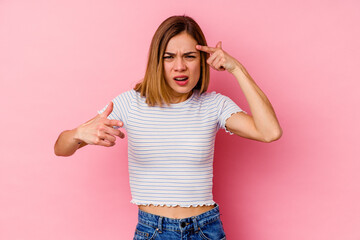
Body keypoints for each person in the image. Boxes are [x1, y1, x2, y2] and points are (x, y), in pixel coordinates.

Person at [54, 15, 282, 240]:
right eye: (169, 57)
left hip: (206, 230)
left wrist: (236, 68)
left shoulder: (214, 105)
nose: (180, 67)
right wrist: (77, 134)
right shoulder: (130, 103)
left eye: (190, 56)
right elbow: (61, 148)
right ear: (157, 61)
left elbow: (269, 132)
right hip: (153, 230)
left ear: (202, 61)